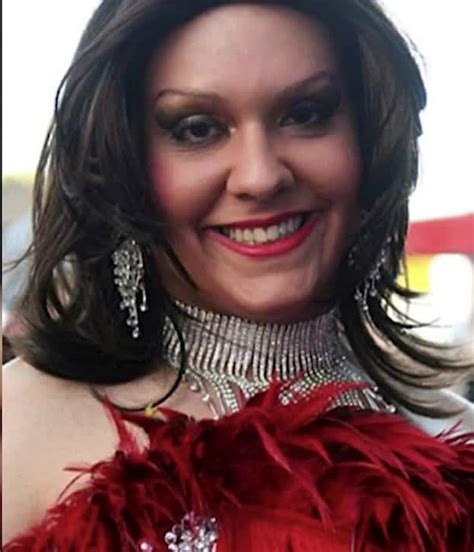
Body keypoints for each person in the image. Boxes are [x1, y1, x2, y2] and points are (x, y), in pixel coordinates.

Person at [3, 0, 473, 550]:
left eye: (305, 114)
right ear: (120, 162)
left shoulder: (454, 443)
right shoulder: (17, 427)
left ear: (370, 140)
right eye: (197, 128)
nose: (260, 176)